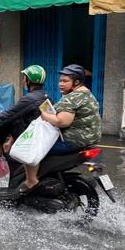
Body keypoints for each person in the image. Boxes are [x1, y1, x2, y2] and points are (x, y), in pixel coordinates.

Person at [16, 64, 102, 196]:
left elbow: (62, 121)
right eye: (60, 80)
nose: (61, 84)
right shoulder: (87, 94)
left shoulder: (72, 98)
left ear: (76, 82)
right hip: (88, 137)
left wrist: (45, 115)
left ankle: (31, 181)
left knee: (30, 147)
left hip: (72, 139)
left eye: (65, 81)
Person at [0, 65, 50, 158]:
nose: (23, 81)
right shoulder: (46, 96)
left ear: (29, 80)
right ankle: (7, 145)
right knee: (14, 118)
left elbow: (9, 114)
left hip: (31, 136)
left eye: (24, 78)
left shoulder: (30, 98)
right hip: (39, 133)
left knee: (7, 119)